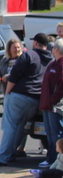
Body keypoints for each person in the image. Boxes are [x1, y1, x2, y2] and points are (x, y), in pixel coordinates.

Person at [0, 32, 53, 167]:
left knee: (10, 126)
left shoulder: (28, 55)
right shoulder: (51, 59)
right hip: (37, 100)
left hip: (20, 95)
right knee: (20, 126)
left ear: (35, 43)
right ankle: (11, 153)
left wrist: (8, 93)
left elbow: (13, 76)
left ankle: (3, 156)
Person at [38, 38, 63, 167]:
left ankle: (55, 160)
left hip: (55, 106)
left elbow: (60, 88)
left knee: (56, 134)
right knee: (49, 134)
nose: (51, 49)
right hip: (47, 105)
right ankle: (51, 158)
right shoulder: (53, 63)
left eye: (53, 47)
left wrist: (53, 101)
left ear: (57, 49)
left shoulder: (61, 65)